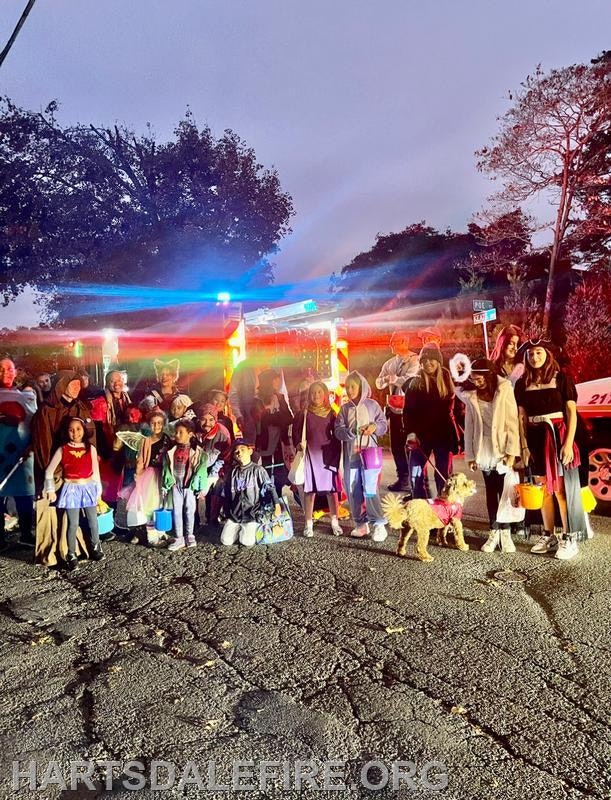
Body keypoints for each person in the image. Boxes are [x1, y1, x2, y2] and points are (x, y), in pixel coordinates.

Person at [515, 341, 587, 560]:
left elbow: (571, 413)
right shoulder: (522, 383)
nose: (534, 357)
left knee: (561, 491)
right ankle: (549, 535)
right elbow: (521, 417)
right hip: (535, 438)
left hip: (557, 436)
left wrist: (568, 443)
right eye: (530, 354)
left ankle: (569, 538)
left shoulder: (562, 378)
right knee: (543, 489)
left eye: (538, 352)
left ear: (547, 354)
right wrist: (524, 446)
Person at [456, 358, 521, 553]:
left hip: (501, 447)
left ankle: (506, 533)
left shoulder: (504, 390)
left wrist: (512, 452)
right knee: (491, 492)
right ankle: (493, 531)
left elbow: (512, 422)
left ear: (489, 375)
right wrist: (470, 456)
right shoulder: (472, 395)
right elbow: (469, 427)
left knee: (506, 493)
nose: (477, 382)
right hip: (482, 447)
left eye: (480, 378)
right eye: (474, 379)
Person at [43, 418, 105, 571]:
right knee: (73, 523)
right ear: (67, 432)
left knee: (93, 521)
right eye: (71, 429)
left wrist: (99, 490)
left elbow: (96, 471)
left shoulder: (90, 448)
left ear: (84, 430)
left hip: (89, 487)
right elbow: (49, 471)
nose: (75, 432)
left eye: (78, 429)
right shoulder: (62, 449)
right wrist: (50, 489)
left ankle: (96, 547)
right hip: (71, 489)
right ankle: (71, 554)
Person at [334, 371, 388, 541]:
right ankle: (360, 524)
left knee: (370, 489)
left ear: (362, 387)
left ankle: (378, 524)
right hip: (352, 457)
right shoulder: (344, 409)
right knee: (353, 489)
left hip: (370, 457)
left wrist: (374, 427)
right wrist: (349, 432)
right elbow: (338, 430)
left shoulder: (372, 405)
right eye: (347, 387)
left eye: (353, 386)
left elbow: (383, 424)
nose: (349, 390)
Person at [403, 345, 459, 499]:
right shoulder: (415, 383)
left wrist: (458, 435)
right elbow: (408, 412)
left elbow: (456, 409)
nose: (428, 363)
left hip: (443, 434)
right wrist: (411, 433)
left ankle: (444, 508)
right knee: (415, 473)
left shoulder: (447, 381)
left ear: (438, 361)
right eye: (424, 360)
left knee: (442, 474)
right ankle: (420, 506)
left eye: (432, 359)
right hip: (421, 435)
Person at [292, 381, 343, 538]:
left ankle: (335, 522)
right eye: (313, 392)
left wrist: (336, 458)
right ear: (309, 395)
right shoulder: (304, 413)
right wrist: (298, 445)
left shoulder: (332, 413)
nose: (316, 395)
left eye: (320, 392)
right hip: (310, 456)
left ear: (326, 394)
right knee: (309, 490)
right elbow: (295, 433)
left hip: (328, 457)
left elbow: (337, 437)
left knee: (331, 490)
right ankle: (308, 524)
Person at [375, 332, 420, 491]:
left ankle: (415, 480)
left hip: (411, 409)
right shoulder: (389, 363)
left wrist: (395, 379)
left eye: (393, 342)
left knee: (411, 445)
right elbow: (379, 382)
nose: (390, 345)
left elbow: (412, 380)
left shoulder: (415, 360)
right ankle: (403, 478)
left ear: (403, 341)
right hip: (394, 409)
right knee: (396, 446)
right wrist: (386, 379)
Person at [0, 357, 37, 549]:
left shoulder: (26, 396)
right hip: (1, 456)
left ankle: (25, 532)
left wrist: (32, 446)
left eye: (9, 369)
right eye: (1, 369)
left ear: (15, 372)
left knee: (25, 494)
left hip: (23, 455)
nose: (5, 372)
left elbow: (36, 424)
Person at [220, 439, 280, 548]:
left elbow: (270, 487)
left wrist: (276, 504)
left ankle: (251, 527)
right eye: (236, 451)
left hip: (252, 513)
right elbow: (227, 493)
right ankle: (238, 528)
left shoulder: (258, 470)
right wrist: (225, 511)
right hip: (235, 514)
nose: (239, 453)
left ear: (250, 451)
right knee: (225, 541)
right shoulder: (232, 472)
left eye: (242, 449)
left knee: (247, 541)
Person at [125, 410, 171, 547]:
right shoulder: (146, 440)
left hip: (162, 474)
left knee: (162, 504)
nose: (156, 426)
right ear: (148, 424)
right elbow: (140, 459)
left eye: (159, 423)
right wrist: (138, 475)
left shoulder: (167, 439)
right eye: (153, 423)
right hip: (149, 475)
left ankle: (161, 531)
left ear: (163, 424)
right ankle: (152, 537)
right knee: (149, 506)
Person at [161, 419, 210, 552]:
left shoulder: (198, 452)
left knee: (189, 510)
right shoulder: (171, 450)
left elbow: (202, 470)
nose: (177, 435)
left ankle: (189, 534)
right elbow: (166, 468)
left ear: (190, 434)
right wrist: (166, 482)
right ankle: (179, 537)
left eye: (180, 432)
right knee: (177, 511)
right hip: (176, 484)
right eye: (176, 432)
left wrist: (200, 485)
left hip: (189, 485)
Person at [251, 369, 294, 497]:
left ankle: (278, 496)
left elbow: (288, 417)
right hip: (265, 439)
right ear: (268, 381)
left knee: (281, 468)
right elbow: (258, 417)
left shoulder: (280, 397)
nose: (277, 381)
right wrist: (275, 418)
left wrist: (274, 417)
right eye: (275, 379)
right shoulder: (258, 400)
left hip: (280, 439)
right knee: (267, 467)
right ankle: (267, 497)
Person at [195, 403, 232, 524]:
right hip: (196, 465)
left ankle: (212, 517)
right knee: (194, 490)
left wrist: (214, 471)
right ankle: (195, 518)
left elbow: (225, 455)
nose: (207, 423)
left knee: (214, 489)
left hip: (216, 465)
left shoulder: (222, 433)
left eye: (211, 420)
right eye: (203, 419)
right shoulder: (193, 430)